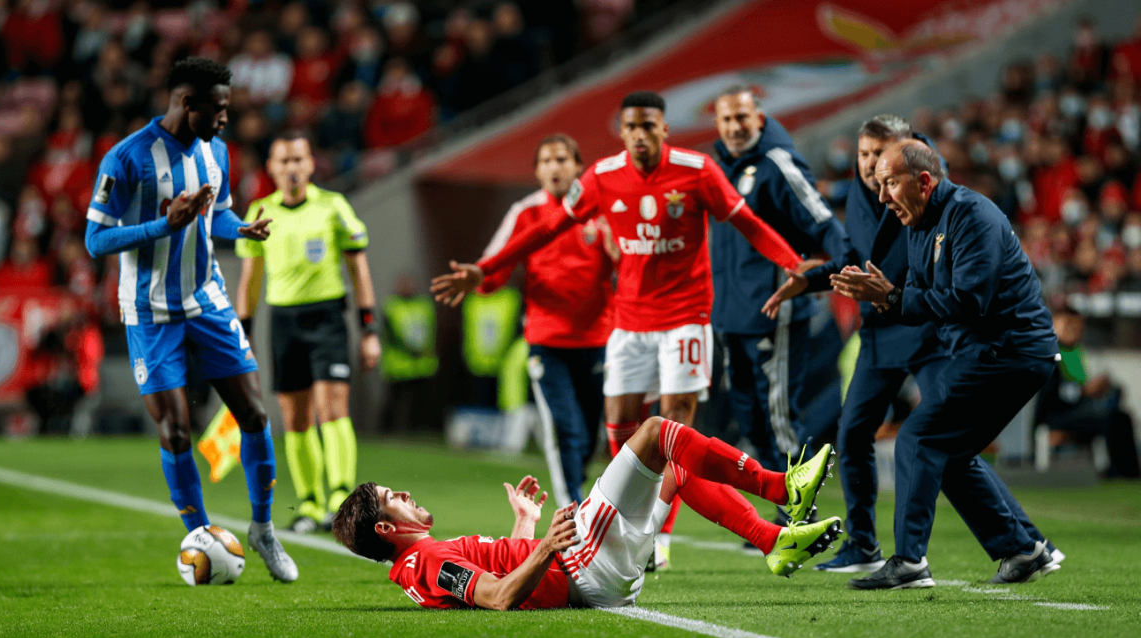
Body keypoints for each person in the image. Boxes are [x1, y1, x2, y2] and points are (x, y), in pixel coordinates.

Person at [431, 91, 805, 571]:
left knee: (676, 439)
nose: (641, 136)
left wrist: (794, 265)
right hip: (629, 326)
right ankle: (646, 530)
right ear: (623, 132)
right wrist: (485, 271)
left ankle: (670, 541)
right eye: (632, 128)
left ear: (663, 130)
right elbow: (544, 230)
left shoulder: (696, 170)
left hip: (684, 320)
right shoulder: (603, 178)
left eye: (650, 127)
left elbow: (747, 222)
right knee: (625, 443)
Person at [764, 115, 1063, 573]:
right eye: (864, 159)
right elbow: (858, 262)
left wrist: (892, 296)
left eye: (881, 166)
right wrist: (813, 281)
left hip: (977, 343)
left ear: (916, 171)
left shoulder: (964, 212)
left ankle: (912, 560)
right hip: (926, 339)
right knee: (919, 444)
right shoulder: (904, 209)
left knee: (924, 437)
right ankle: (1018, 548)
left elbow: (968, 299)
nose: (876, 185)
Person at [83, 57, 297, 583]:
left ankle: (264, 530)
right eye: (219, 109)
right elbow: (96, 239)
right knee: (177, 431)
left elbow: (215, 211)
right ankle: (200, 537)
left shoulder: (216, 151)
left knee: (255, 415)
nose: (226, 119)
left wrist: (239, 227)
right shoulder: (127, 158)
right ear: (187, 103)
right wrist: (162, 224)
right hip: (150, 311)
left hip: (207, 301)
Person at [333, 415, 843, 609]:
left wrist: (527, 526)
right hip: (582, 566)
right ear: (386, 527)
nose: (406, 494)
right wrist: (551, 546)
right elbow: (499, 597)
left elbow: (501, 572)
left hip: (583, 569)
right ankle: (782, 486)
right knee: (656, 434)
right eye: (395, 496)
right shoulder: (425, 563)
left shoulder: (422, 561)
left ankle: (774, 542)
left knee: (676, 471)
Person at [709, 87, 852, 545]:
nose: (735, 127)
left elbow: (820, 217)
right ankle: (779, 510)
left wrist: (845, 259)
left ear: (760, 117)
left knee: (780, 418)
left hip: (778, 309)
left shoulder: (777, 163)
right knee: (749, 420)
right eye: (726, 119)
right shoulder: (713, 171)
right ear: (717, 123)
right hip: (730, 316)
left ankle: (794, 517)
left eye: (742, 117)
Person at [235, 132, 380, 534]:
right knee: (294, 417)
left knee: (332, 407)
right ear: (271, 168)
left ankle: (340, 497)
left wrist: (368, 329)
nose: (292, 168)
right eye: (284, 161)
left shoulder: (333, 207)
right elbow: (250, 278)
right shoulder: (260, 212)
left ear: (312, 164)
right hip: (283, 322)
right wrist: (242, 331)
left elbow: (359, 268)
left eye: (298, 159)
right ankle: (310, 503)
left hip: (328, 317)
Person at [477, 134, 616, 506]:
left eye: (561, 159)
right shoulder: (525, 212)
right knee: (563, 429)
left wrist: (614, 248)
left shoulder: (601, 212)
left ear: (578, 167)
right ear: (537, 170)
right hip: (547, 341)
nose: (554, 167)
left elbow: (630, 264)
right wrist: (478, 279)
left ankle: (578, 481)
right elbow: (494, 265)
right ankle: (572, 509)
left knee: (592, 434)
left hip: (599, 339)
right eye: (546, 161)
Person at [1038, 307, 1139, 478]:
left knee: (1122, 416)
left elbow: (1082, 383)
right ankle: (1116, 472)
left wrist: (1100, 387)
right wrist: (1084, 391)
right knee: (1110, 418)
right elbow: (1053, 393)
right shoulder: (1049, 353)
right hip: (1057, 414)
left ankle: (1131, 472)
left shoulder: (1077, 353)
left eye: (1078, 326)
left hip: (1081, 409)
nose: (1075, 330)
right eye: (1069, 325)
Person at [380, 274, 439, 433]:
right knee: (395, 402)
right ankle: (388, 432)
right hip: (399, 365)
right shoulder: (391, 306)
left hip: (422, 365)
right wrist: (412, 349)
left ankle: (418, 431)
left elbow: (432, 331)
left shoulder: (425, 305)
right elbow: (390, 335)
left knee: (420, 403)